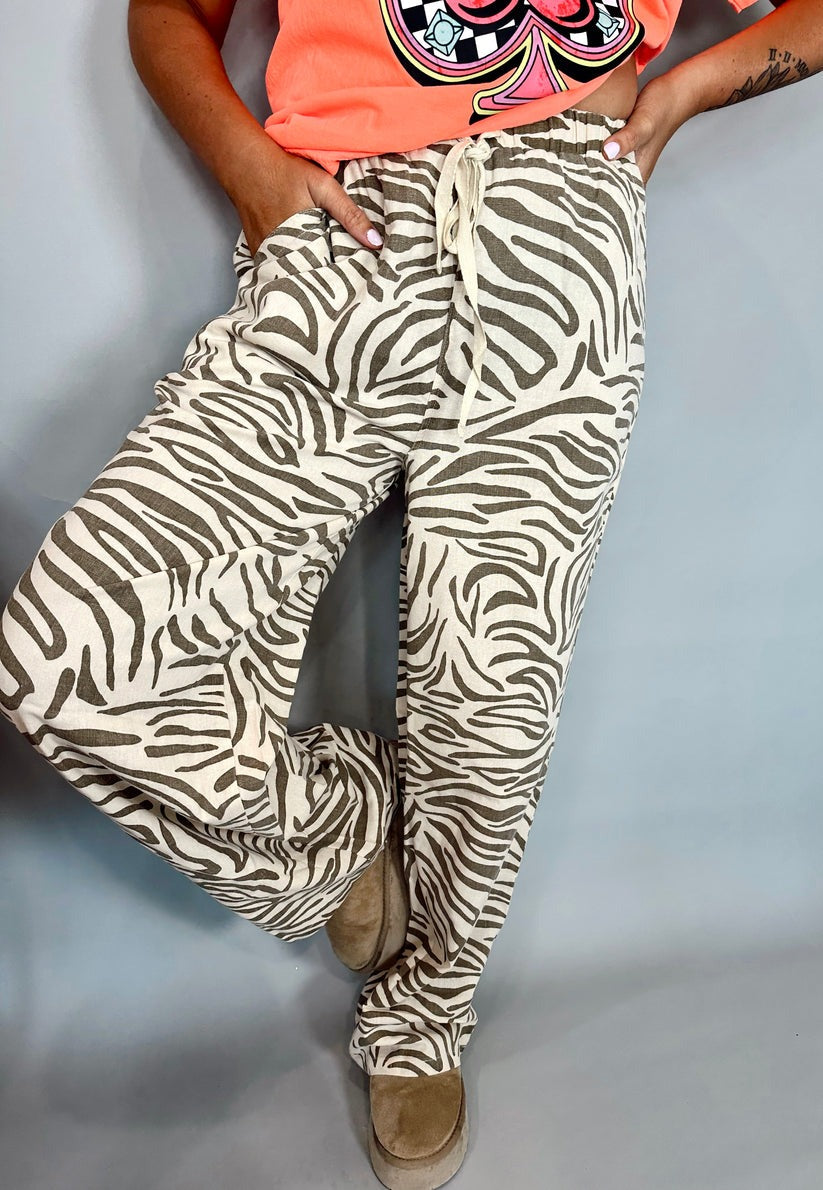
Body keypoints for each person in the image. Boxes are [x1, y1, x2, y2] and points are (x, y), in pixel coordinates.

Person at [0, 2, 819, 1187]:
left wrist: (683, 90)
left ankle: (423, 1014)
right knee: (73, 657)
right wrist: (249, 171)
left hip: (555, 237)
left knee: (490, 701)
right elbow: (169, 11)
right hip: (345, 230)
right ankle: (332, 836)